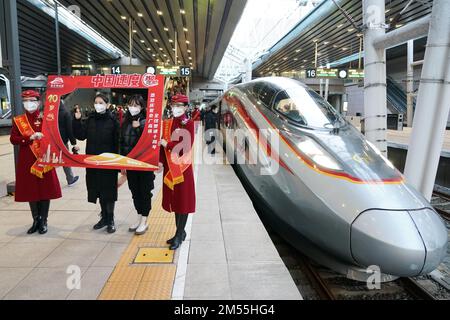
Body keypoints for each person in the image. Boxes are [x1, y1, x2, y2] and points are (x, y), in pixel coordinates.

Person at [10, 90, 62, 234]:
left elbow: (55, 136)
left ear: (39, 102)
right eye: (26, 101)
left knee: (45, 190)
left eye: (32, 100)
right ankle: (36, 220)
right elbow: (13, 139)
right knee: (31, 190)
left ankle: (44, 221)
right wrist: (28, 138)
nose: (29, 103)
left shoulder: (46, 118)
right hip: (27, 160)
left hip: (44, 159)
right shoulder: (19, 120)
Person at [73, 93, 120, 233]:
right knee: (98, 190)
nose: (98, 105)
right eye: (96, 102)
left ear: (107, 104)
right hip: (93, 162)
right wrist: (77, 120)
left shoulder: (113, 120)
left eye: (101, 102)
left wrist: (118, 163)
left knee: (109, 191)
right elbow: (81, 135)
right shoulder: (90, 119)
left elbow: (118, 141)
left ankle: (110, 218)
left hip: (108, 163)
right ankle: (104, 217)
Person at [159, 94, 196, 250]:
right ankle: (179, 233)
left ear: (186, 107)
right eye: (174, 105)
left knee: (183, 202)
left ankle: (179, 234)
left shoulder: (189, 124)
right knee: (175, 201)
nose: (176, 108)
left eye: (179, 106)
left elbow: (185, 145)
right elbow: (161, 143)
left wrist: (167, 144)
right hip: (169, 167)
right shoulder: (168, 123)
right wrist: (160, 161)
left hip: (182, 169)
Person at [119, 95, 155, 235]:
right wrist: (122, 161)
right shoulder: (125, 121)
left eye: (136, 105)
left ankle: (144, 220)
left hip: (144, 164)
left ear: (142, 107)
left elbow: (149, 142)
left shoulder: (146, 121)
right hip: (130, 163)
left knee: (145, 192)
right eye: (131, 105)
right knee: (134, 192)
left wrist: (139, 128)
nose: (133, 108)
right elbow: (122, 141)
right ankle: (139, 216)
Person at [58, 100, 79, 186]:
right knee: (65, 159)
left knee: (49, 159)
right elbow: (70, 129)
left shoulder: (50, 112)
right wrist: (74, 143)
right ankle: (70, 179)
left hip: (51, 140)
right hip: (62, 141)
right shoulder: (65, 113)